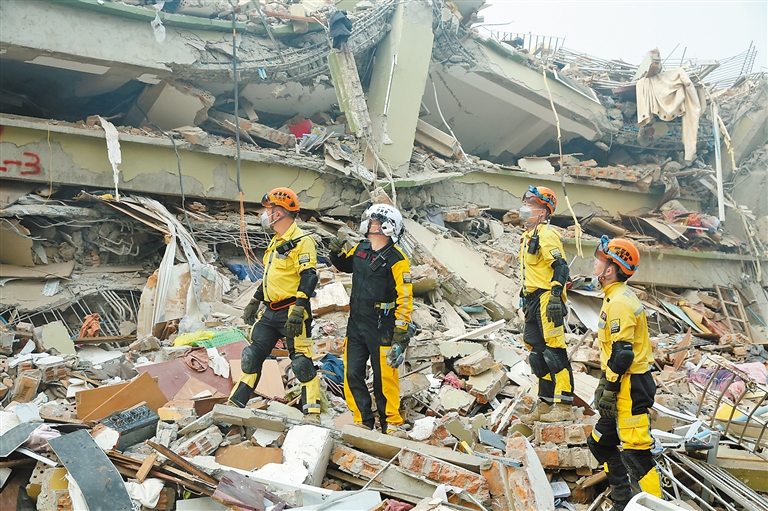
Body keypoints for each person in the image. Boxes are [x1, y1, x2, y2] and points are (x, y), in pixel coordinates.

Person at [232, 187, 321, 422]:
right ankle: (235, 403)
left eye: (267, 210)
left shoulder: (302, 241)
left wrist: (299, 309)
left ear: (278, 213)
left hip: (292, 311)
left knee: (300, 362)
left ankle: (312, 413)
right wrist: (254, 301)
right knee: (252, 355)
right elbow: (270, 278)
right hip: (270, 311)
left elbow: (309, 276)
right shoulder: (275, 242)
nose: (264, 215)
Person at [588, 236, 662, 510]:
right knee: (600, 442)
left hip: (630, 386)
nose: (594, 263)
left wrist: (609, 386)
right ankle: (623, 499)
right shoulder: (614, 296)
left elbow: (623, 355)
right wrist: (605, 383)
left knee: (636, 456)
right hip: (620, 381)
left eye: (599, 259)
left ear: (610, 269)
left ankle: (656, 507)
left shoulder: (619, 301)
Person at [328, 204, 413, 436]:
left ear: (388, 227)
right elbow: (345, 265)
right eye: (371, 220)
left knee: (384, 377)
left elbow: (405, 297)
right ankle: (362, 420)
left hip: (382, 325)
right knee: (352, 373)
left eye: (375, 221)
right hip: (356, 323)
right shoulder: (361, 248)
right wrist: (335, 253)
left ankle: (391, 423)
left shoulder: (397, 259)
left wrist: (400, 331)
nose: (370, 224)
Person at [518, 185, 575, 423]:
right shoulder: (527, 237)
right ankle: (545, 403)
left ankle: (564, 405)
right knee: (538, 355)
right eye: (525, 202)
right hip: (531, 300)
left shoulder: (546, 234)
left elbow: (561, 267)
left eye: (531, 204)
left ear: (543, 212)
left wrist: (555, 295)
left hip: (546, 299)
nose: (525, 207)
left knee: (554, 353)